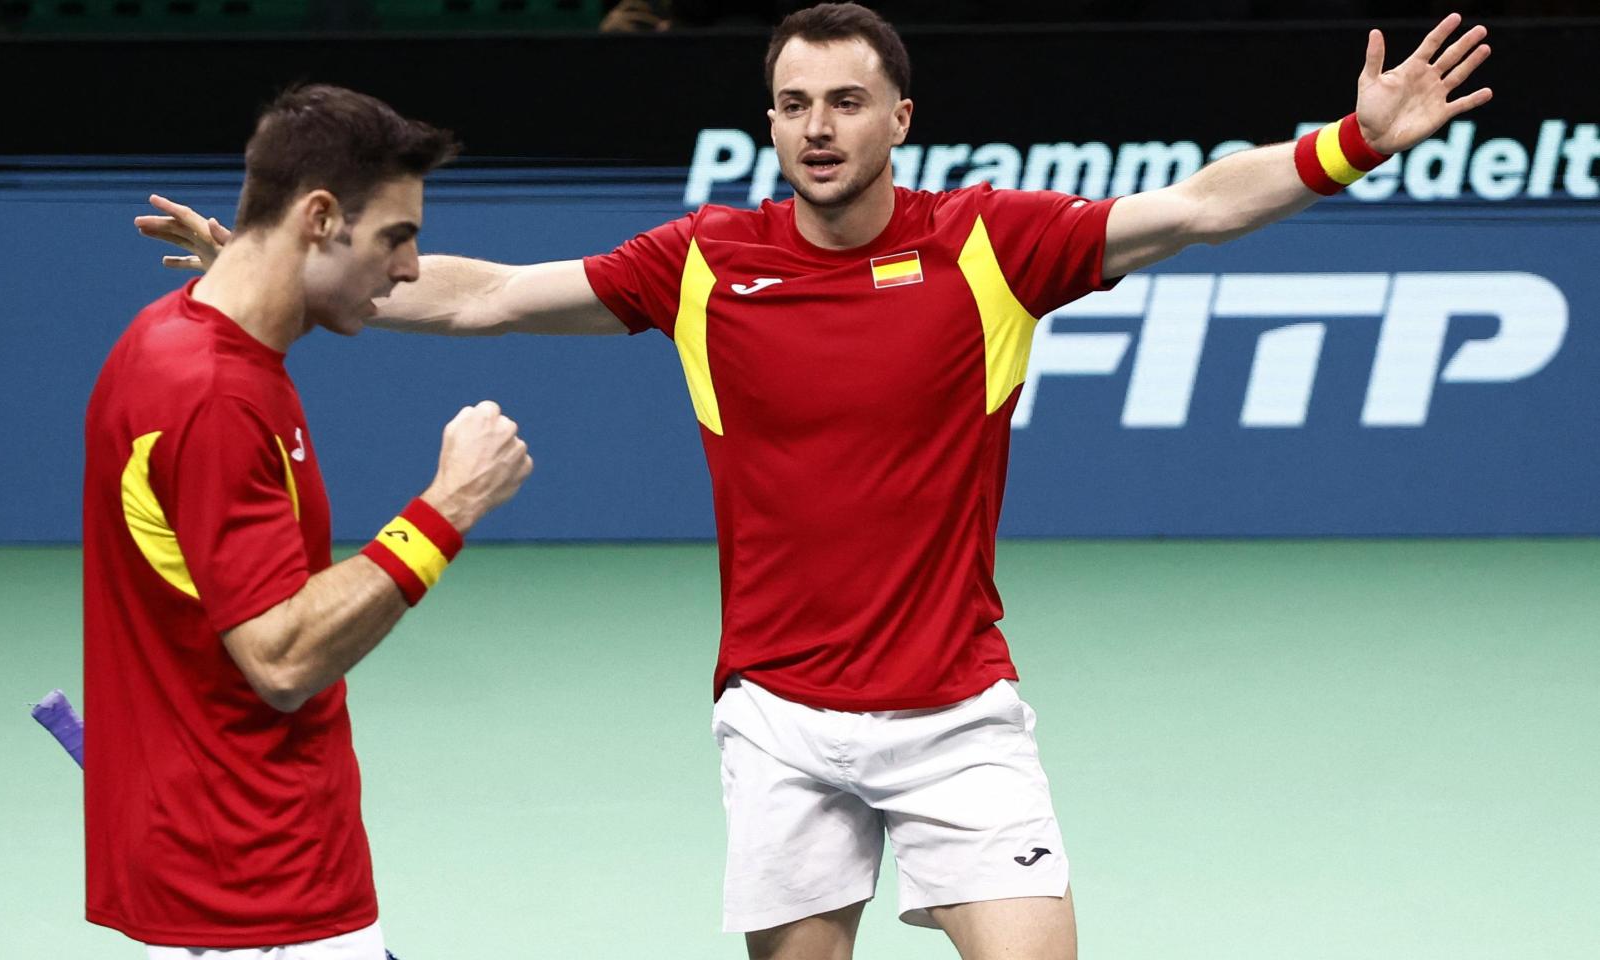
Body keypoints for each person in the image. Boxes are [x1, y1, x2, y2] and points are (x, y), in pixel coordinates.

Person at [142, 6, 1491, 957]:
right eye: (792, 103)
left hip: (956, 713)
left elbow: (1195, 204)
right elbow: (489, 293)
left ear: (899, 118)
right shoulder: (706, 261)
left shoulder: (990, 246)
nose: (816, 126)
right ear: (769, 122)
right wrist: (279, 263)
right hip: (778, 722)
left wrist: (1350, 142)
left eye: (845, 101)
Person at [88, 84, 533, 959]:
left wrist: (242, 261)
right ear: (320, 217)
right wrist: (449, 507)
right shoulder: (215, 396)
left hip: (238, 872)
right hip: (257, 898)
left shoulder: (173, 340)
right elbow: (281, 658)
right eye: (396, 240)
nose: (409, 270)